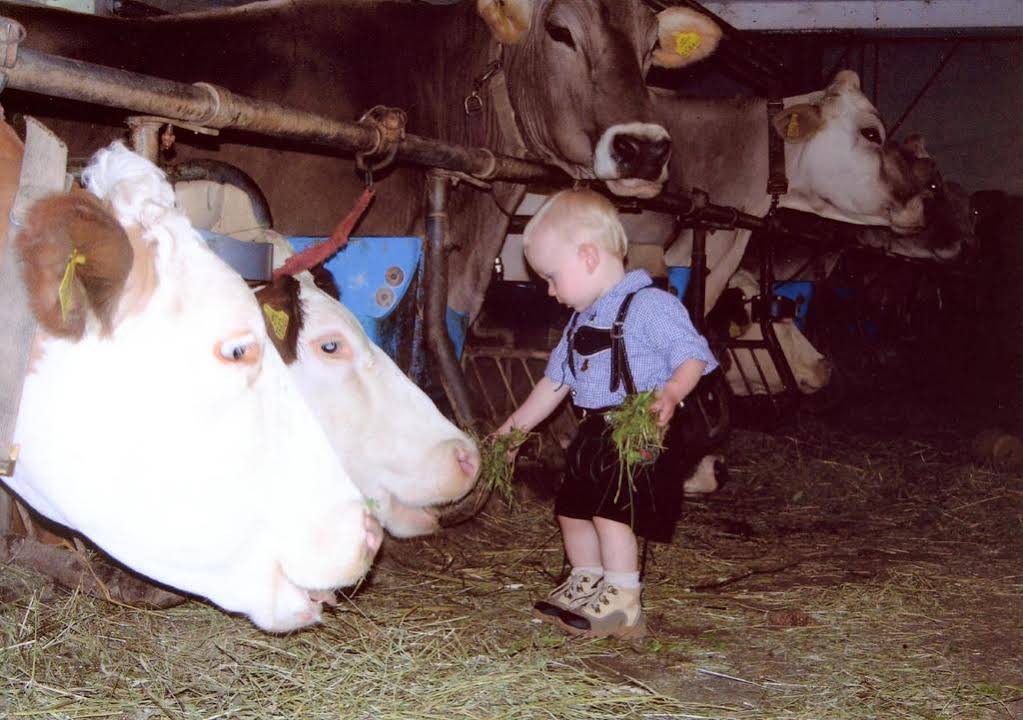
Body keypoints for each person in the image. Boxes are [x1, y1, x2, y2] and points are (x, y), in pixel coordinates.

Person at [495, 188, 720, 639]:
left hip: (641, 428)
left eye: (552, 277)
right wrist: (512, 431)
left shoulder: (650, 305)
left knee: (611, 513)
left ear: (588, 257)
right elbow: (554, 384)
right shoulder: (580, 321)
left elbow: (692, 354)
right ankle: (587, 580)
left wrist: (673, 392)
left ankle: (623, 599)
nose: (551, 291)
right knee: (572, 508)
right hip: (595, 431)